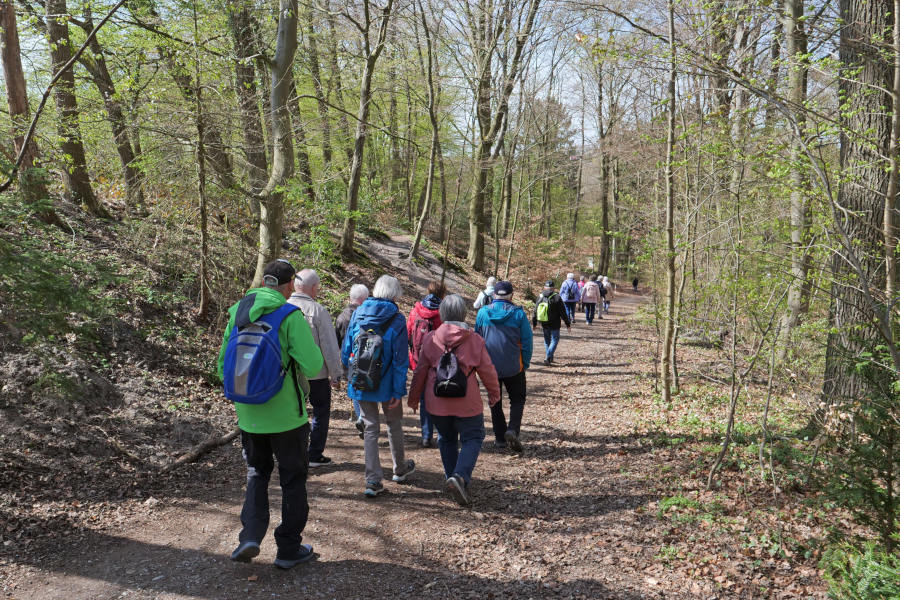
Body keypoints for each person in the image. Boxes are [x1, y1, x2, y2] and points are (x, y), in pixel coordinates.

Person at [218, 259, 324, 569]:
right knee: (292, 479)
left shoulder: (237, 313)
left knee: (256, 472)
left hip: (248, 414)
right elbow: (313, 364)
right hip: (287, 417)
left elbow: (222, 364)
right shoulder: (290, 315)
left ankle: (249, 535)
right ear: (290, 285)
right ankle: (288, 548)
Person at [408, 294, 500, 505]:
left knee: (446, 438)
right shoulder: (474, 339)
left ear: (443, 314)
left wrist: (414, 398)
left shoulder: (431, 338)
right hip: (467, 403)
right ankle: (459, 477)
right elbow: (487, 371)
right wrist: (494, 394)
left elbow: (420, 371)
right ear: (463, 314)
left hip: (436, 402)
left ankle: (452, 476)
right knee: (473, 437)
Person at [341, 275, 415, 497]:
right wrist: (398, 390)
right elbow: (401, 360)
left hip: (361, 382)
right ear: (395, 294)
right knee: (394, 425)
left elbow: (346, 352)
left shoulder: (358, 313)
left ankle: (372, 480)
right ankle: (399, 470)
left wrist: (349, 374)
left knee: (370, 428)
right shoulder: (397, 319)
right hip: (388, 383)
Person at [288, 269, 343, 468]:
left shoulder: (282, 307)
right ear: (313, 288)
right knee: (320, 411)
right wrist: (335, 374)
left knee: (294, 412)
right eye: (317, 287)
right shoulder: (318, 311)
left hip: (289, 374)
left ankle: (293, 452)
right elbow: (329, 345)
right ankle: (314, 454)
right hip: (316, 374)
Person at [475, 281, 533, 452]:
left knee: (495, 400)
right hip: (514, 366)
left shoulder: (483, 313)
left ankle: (500, 438)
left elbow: (476, 340)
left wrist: (478, 364)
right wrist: (525, 363)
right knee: (518, 399)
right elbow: (527, 343)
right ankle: (513, 430)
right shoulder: (518, 315)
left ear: (494, 295)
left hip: (489, 366)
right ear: (511, 296)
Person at [407, 280, 446, 447]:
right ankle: (442, 433)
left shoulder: (415, 311)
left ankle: (426, 435)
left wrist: (413, 355)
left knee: (423, 399)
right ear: (442, 294)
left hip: (419, 362)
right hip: (438, 364)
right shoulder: (443, 312)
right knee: (439, 397)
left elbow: (408, 334)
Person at [335, 283, 369, 433]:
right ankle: (364, 416)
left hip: (347, 358)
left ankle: (360, 416)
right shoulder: (368, 314)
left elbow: (337, 340)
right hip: (366, 358)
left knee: (354, 387)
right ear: (364, 299)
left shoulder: (342, 316)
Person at [532, 280, 570, 365]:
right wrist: (567, 324)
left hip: (544, 323)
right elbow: (563, 312)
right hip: (555, 323)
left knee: (547, 341)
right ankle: (548, 357)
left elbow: (535, 311)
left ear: (544, 288)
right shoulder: (557, 297)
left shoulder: (540, 297)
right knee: (555, 340)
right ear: (553, 288)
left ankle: (549, 358)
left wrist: (534, 323)